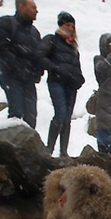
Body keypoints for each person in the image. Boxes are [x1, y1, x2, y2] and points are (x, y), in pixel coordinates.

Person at [38, 11, 85, 157]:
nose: (70, 28)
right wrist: (56, 69)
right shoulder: (52, 40)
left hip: (71, 84)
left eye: (72, 26)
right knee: (60, 114)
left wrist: (79, 79)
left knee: (67, 118)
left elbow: (77, 66)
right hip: (57, 81)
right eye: (67, 25)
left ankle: (63, 151)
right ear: (60, 25)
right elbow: (40, 56)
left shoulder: (73, 47)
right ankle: (49, 149)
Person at [0, 0, 42, 129]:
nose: (36, 11)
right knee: (16, 113)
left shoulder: (34, 32)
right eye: (32, 7)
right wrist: (17, 67)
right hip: (11, 76)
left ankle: (27, 147)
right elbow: (2, 49)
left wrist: (37, 72)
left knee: (31, 115)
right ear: (21, 7)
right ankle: (12, 146)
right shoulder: (6, 23)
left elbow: (38, 55)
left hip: (28, 79)